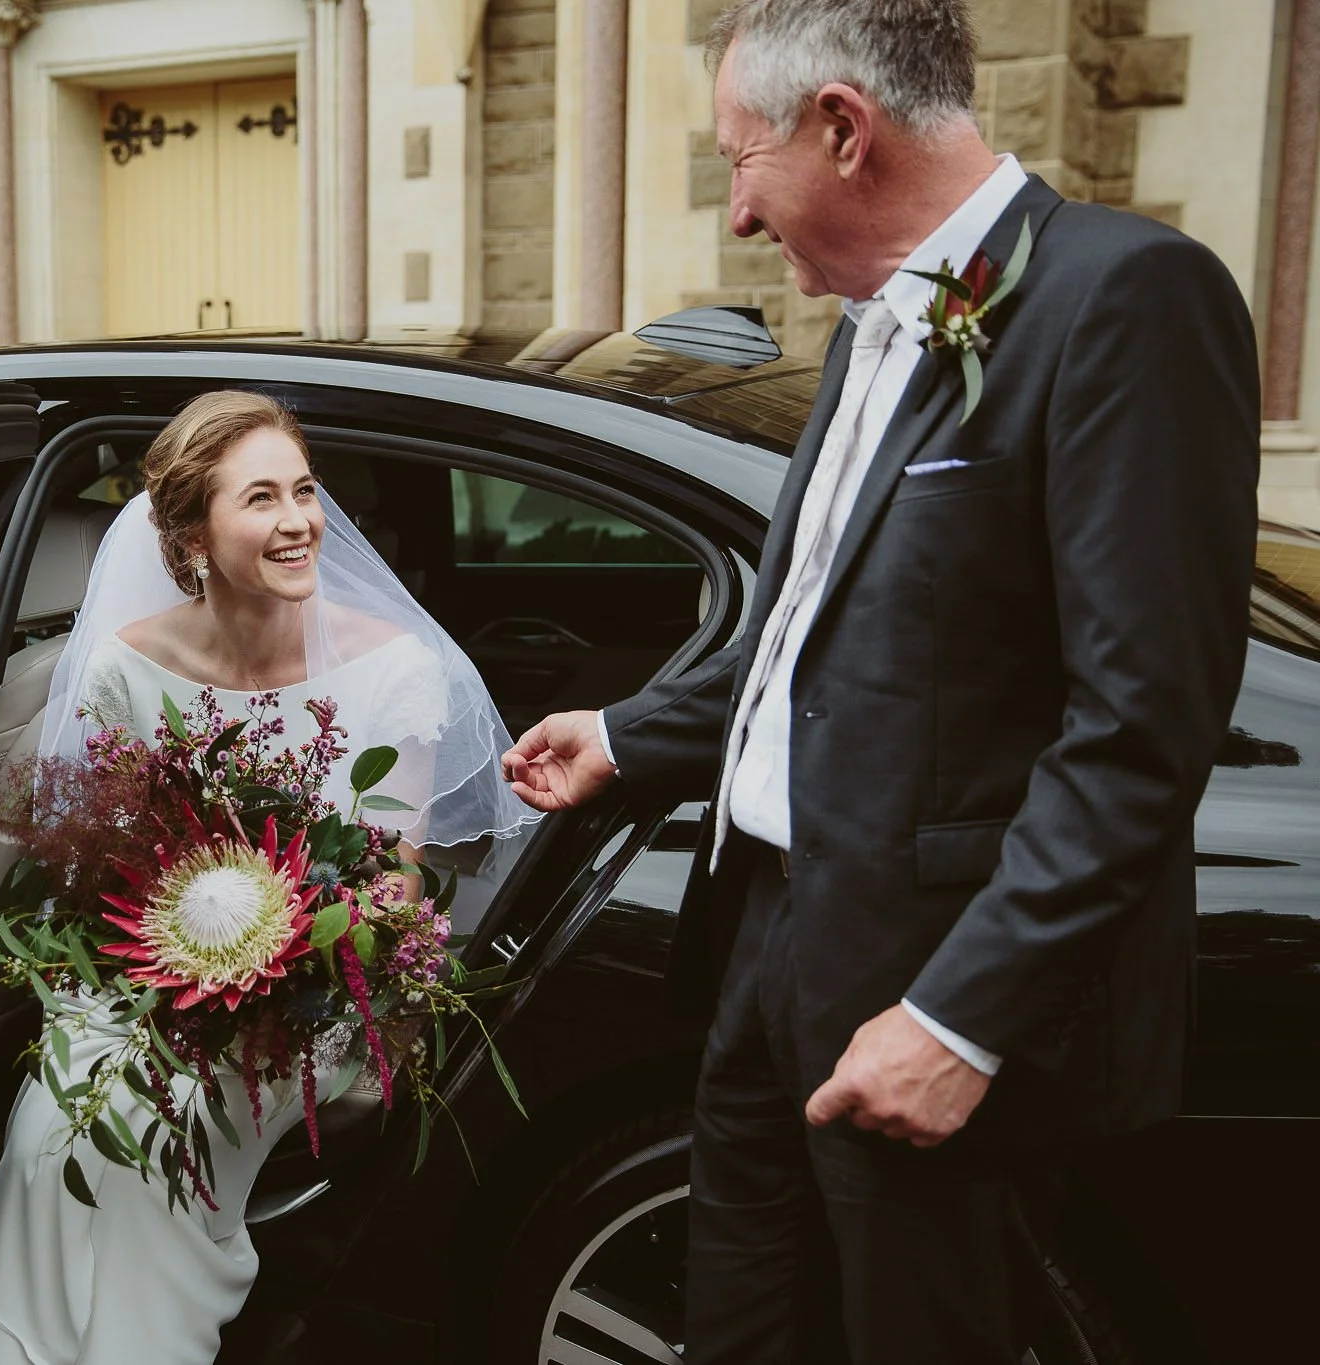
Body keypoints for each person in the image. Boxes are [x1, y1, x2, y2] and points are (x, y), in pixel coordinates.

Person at [500, 2, 1259, 1361]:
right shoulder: (862, 330)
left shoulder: (1124, 298)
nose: (738, 217)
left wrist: (963, 1017)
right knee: (738, 1331)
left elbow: (1142, 726)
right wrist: (630, 734)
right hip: (769, 952)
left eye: (741, 161)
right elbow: (816, 637)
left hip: (932, 986)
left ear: (843, 128)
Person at [0, 390, 536, 1365]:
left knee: (173, 1123)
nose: (298, 521)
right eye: (259, 499)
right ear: (189, 534)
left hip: (318, 988)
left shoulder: (393, 668)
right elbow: (103, 872)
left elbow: (388, 889)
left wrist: (274, 981)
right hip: (141, 973)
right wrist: (169, 975)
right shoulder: (123, 670)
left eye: (303, 491)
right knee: (54, 1132)